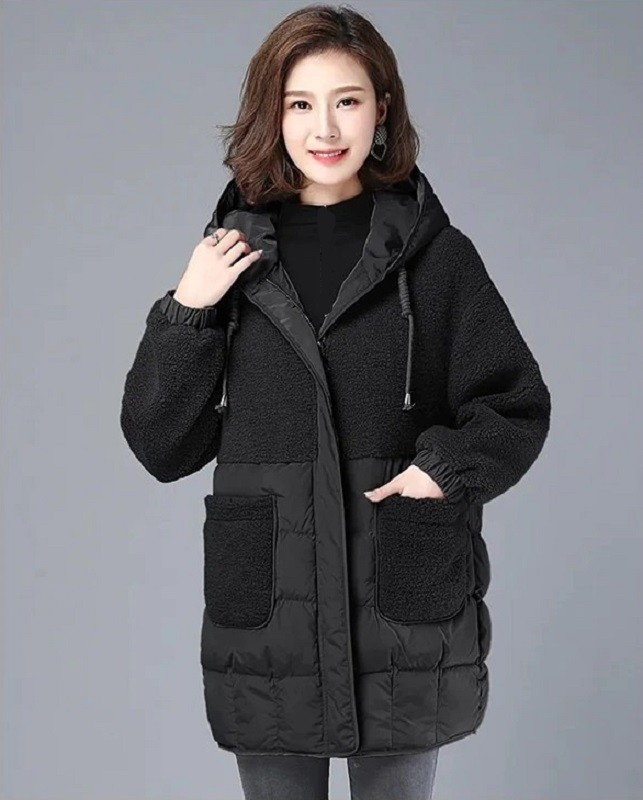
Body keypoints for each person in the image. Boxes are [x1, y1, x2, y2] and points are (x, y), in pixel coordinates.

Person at [119, 4, 552, 799]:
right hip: (270, 621)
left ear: (380, 108)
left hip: (401, 610)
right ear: (273, 114)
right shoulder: (230, 262)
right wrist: (187, 310)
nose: (324, 127)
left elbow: (515, 403)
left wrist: (443, 472)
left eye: (346, 100)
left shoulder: (436, 259)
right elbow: (160, 445)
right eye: (300, 103)